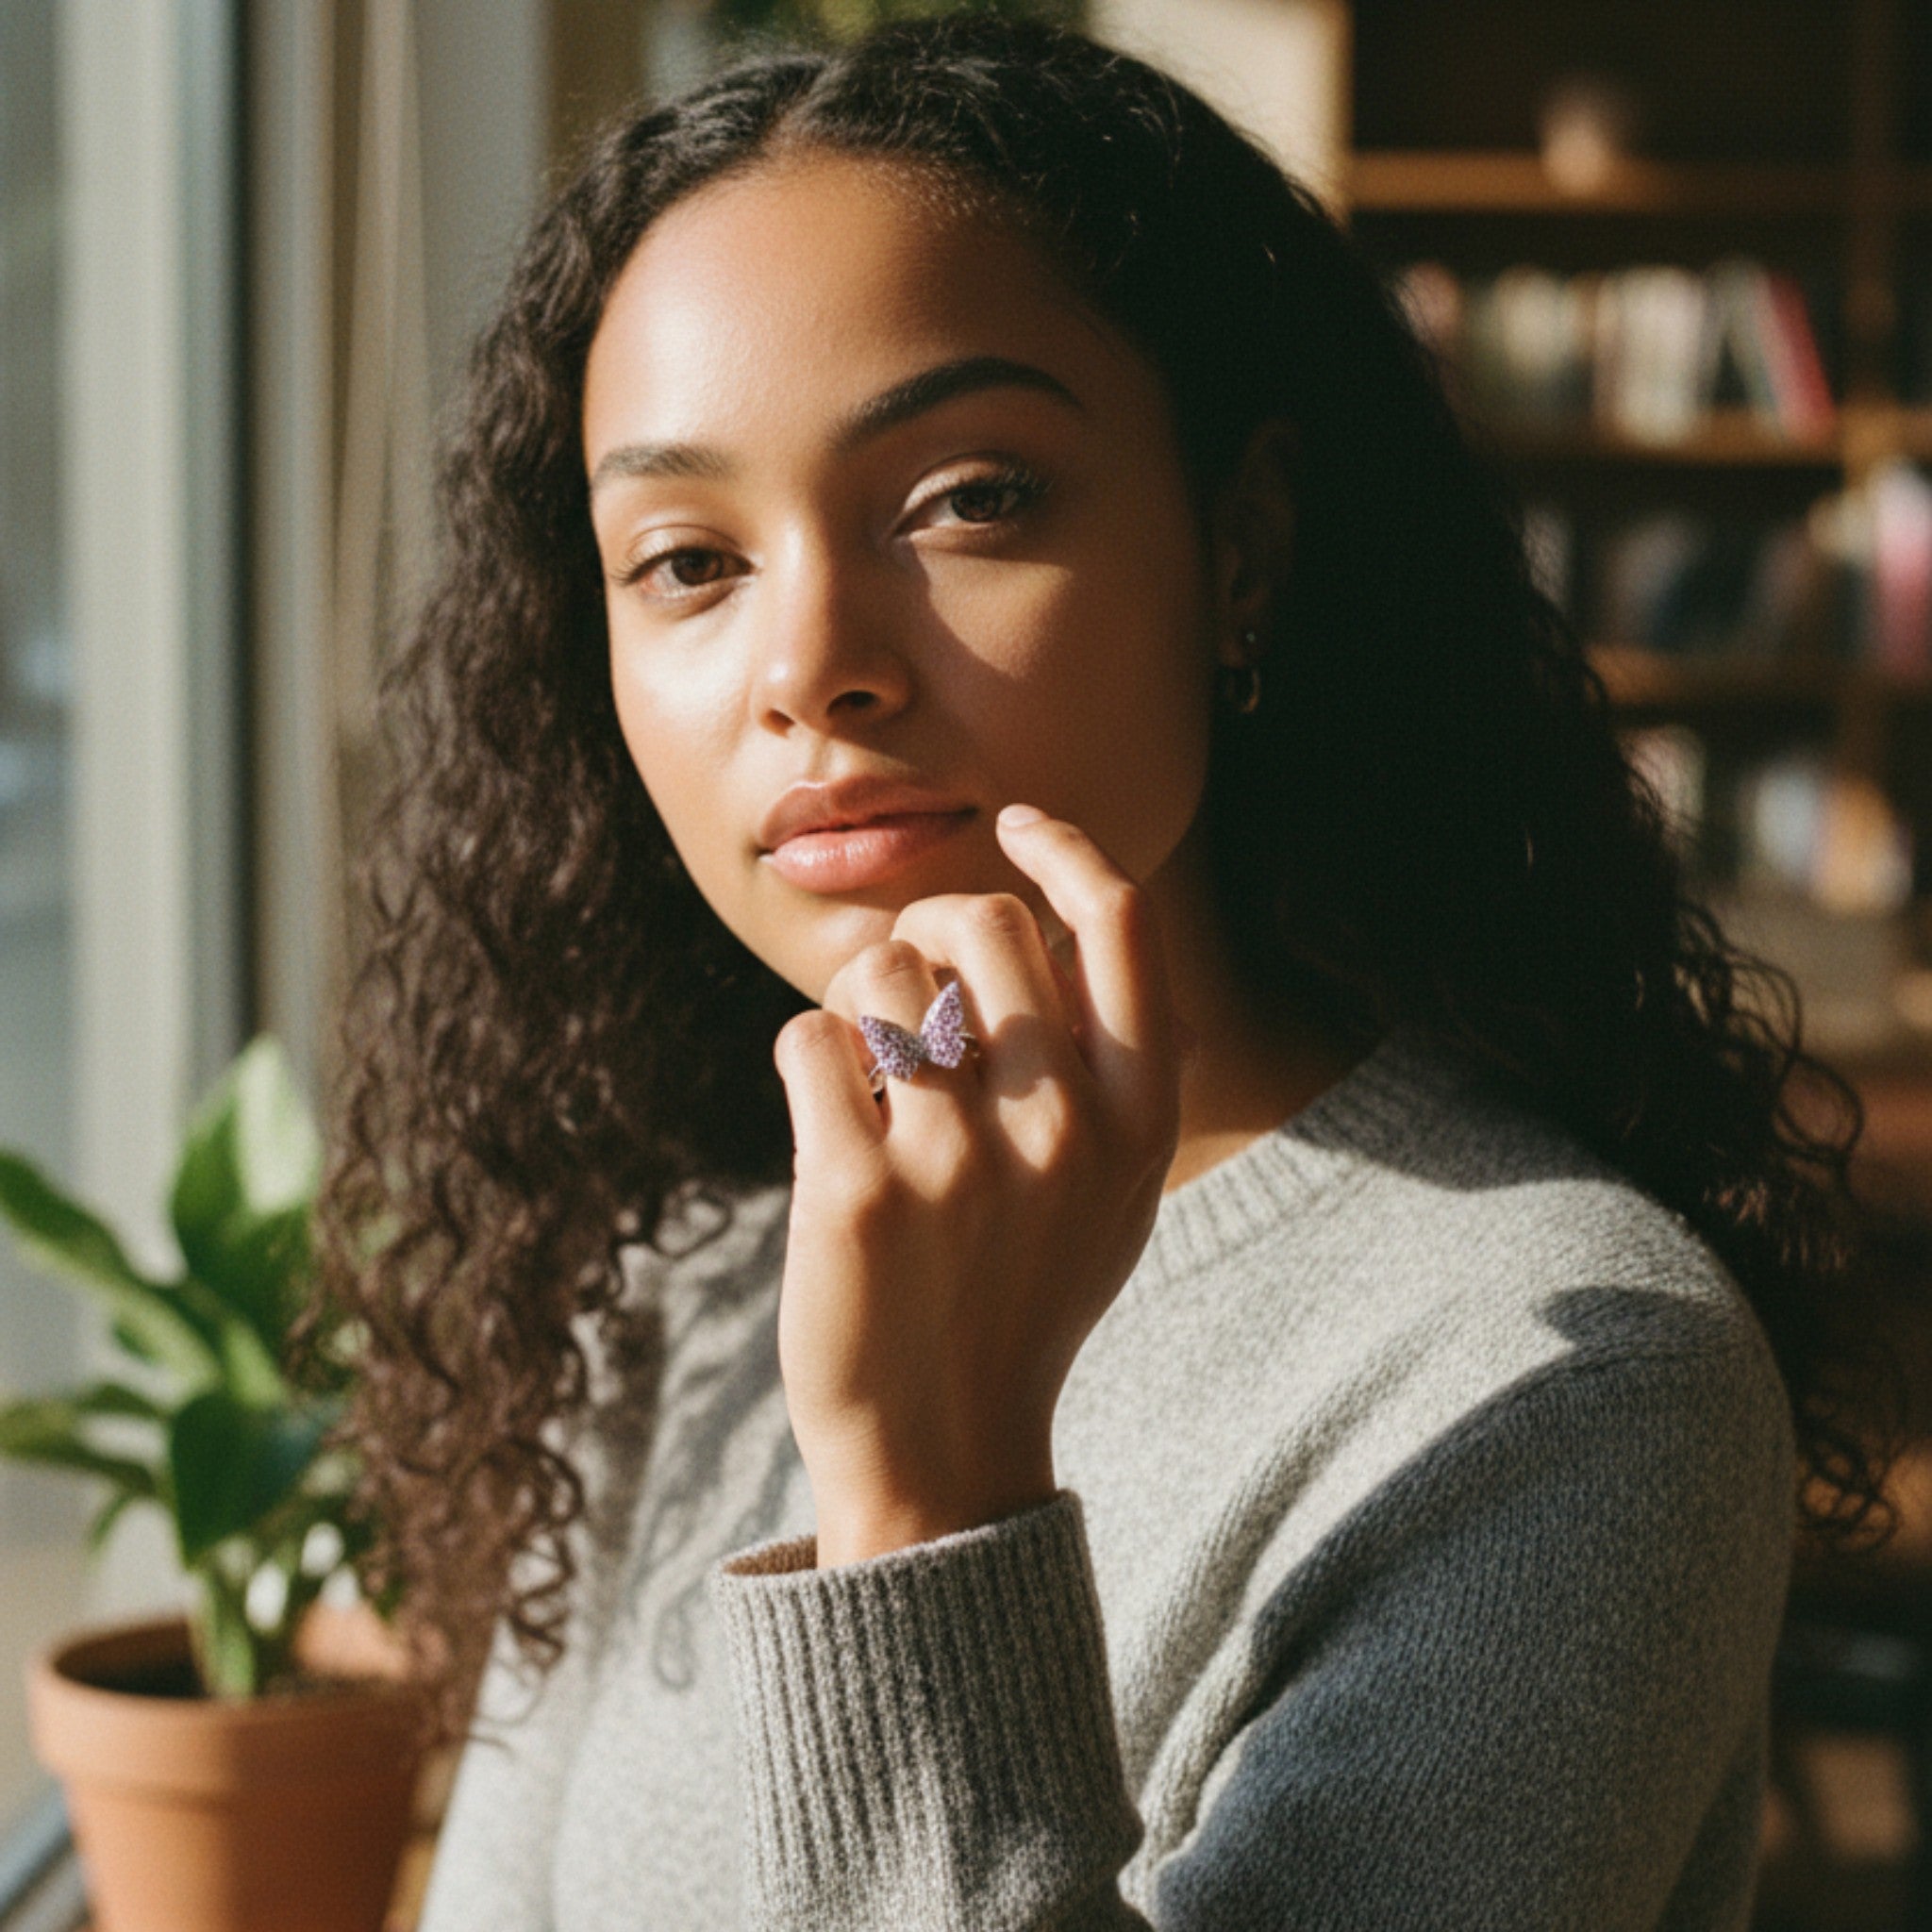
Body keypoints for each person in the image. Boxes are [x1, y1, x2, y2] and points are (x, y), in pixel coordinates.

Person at [311, 14, 1896, 1929]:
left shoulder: (1567, 1379)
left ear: (1241, 547)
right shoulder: (696, 1264)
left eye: (969, 496)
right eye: (686, 557)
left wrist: (932, 1495)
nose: (810, 664)